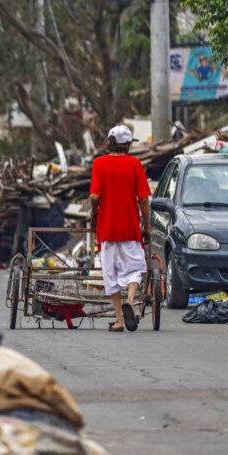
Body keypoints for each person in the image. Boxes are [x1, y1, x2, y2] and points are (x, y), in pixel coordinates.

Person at [90, 124, 151, 332]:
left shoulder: (99, 163)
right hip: (130, 229)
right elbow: (144, 199)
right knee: (135, 269)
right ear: (128, 145)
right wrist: (147, 227)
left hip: (107, 230)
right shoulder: (135, 164)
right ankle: (131, 300)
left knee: (111, 275)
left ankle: (119, 321)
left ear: (110, 142)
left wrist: (93, 215)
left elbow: (94, 196)